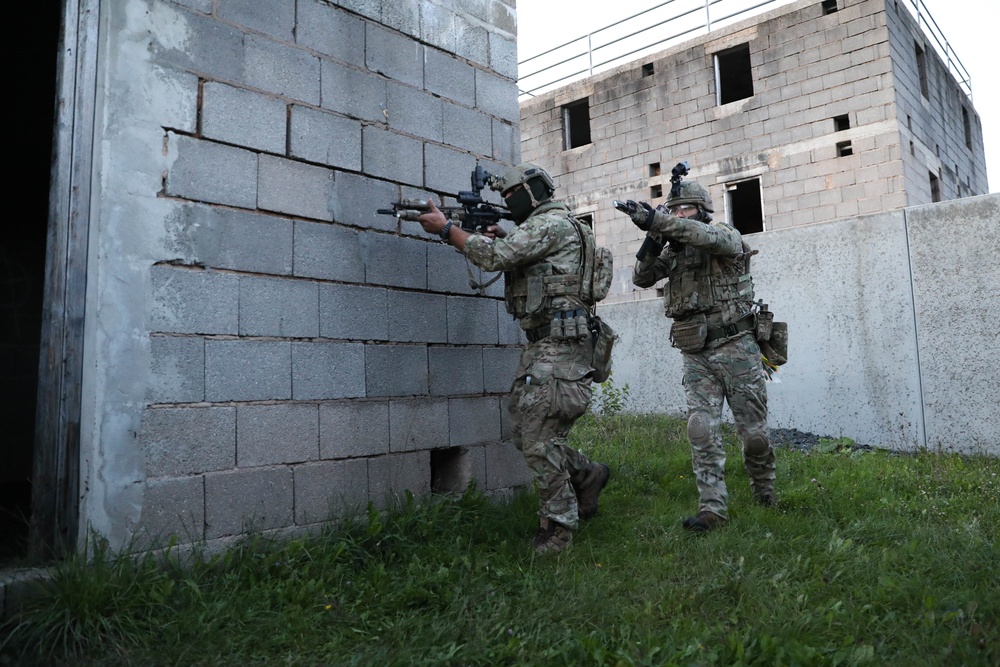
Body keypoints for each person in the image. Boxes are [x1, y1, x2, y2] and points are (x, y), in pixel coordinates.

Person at [417, 163, 610, 556]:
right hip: (547, 346)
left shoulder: (550, 224)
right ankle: (587, 476)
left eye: (510, 196)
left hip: (559, 348)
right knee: (527, 433)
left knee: (539, 440)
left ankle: (557, 528)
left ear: (531, 192)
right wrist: (499, 234)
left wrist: (446, 230)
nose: (507, 203)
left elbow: (496, 257)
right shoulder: (559, 226)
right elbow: (535, 261)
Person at [620, 178, 775, 532]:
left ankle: (765, 491)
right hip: (696, 351)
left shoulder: (723, 235)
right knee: (700, 428)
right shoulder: (672, 251)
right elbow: (642, 277)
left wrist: (659, 220)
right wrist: (653, 235)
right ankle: (712, 509)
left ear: (702, 211)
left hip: (737, 347)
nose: (677, 214)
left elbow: (706, 238)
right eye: (673, 210)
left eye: (684, 209)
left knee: (754, 435)